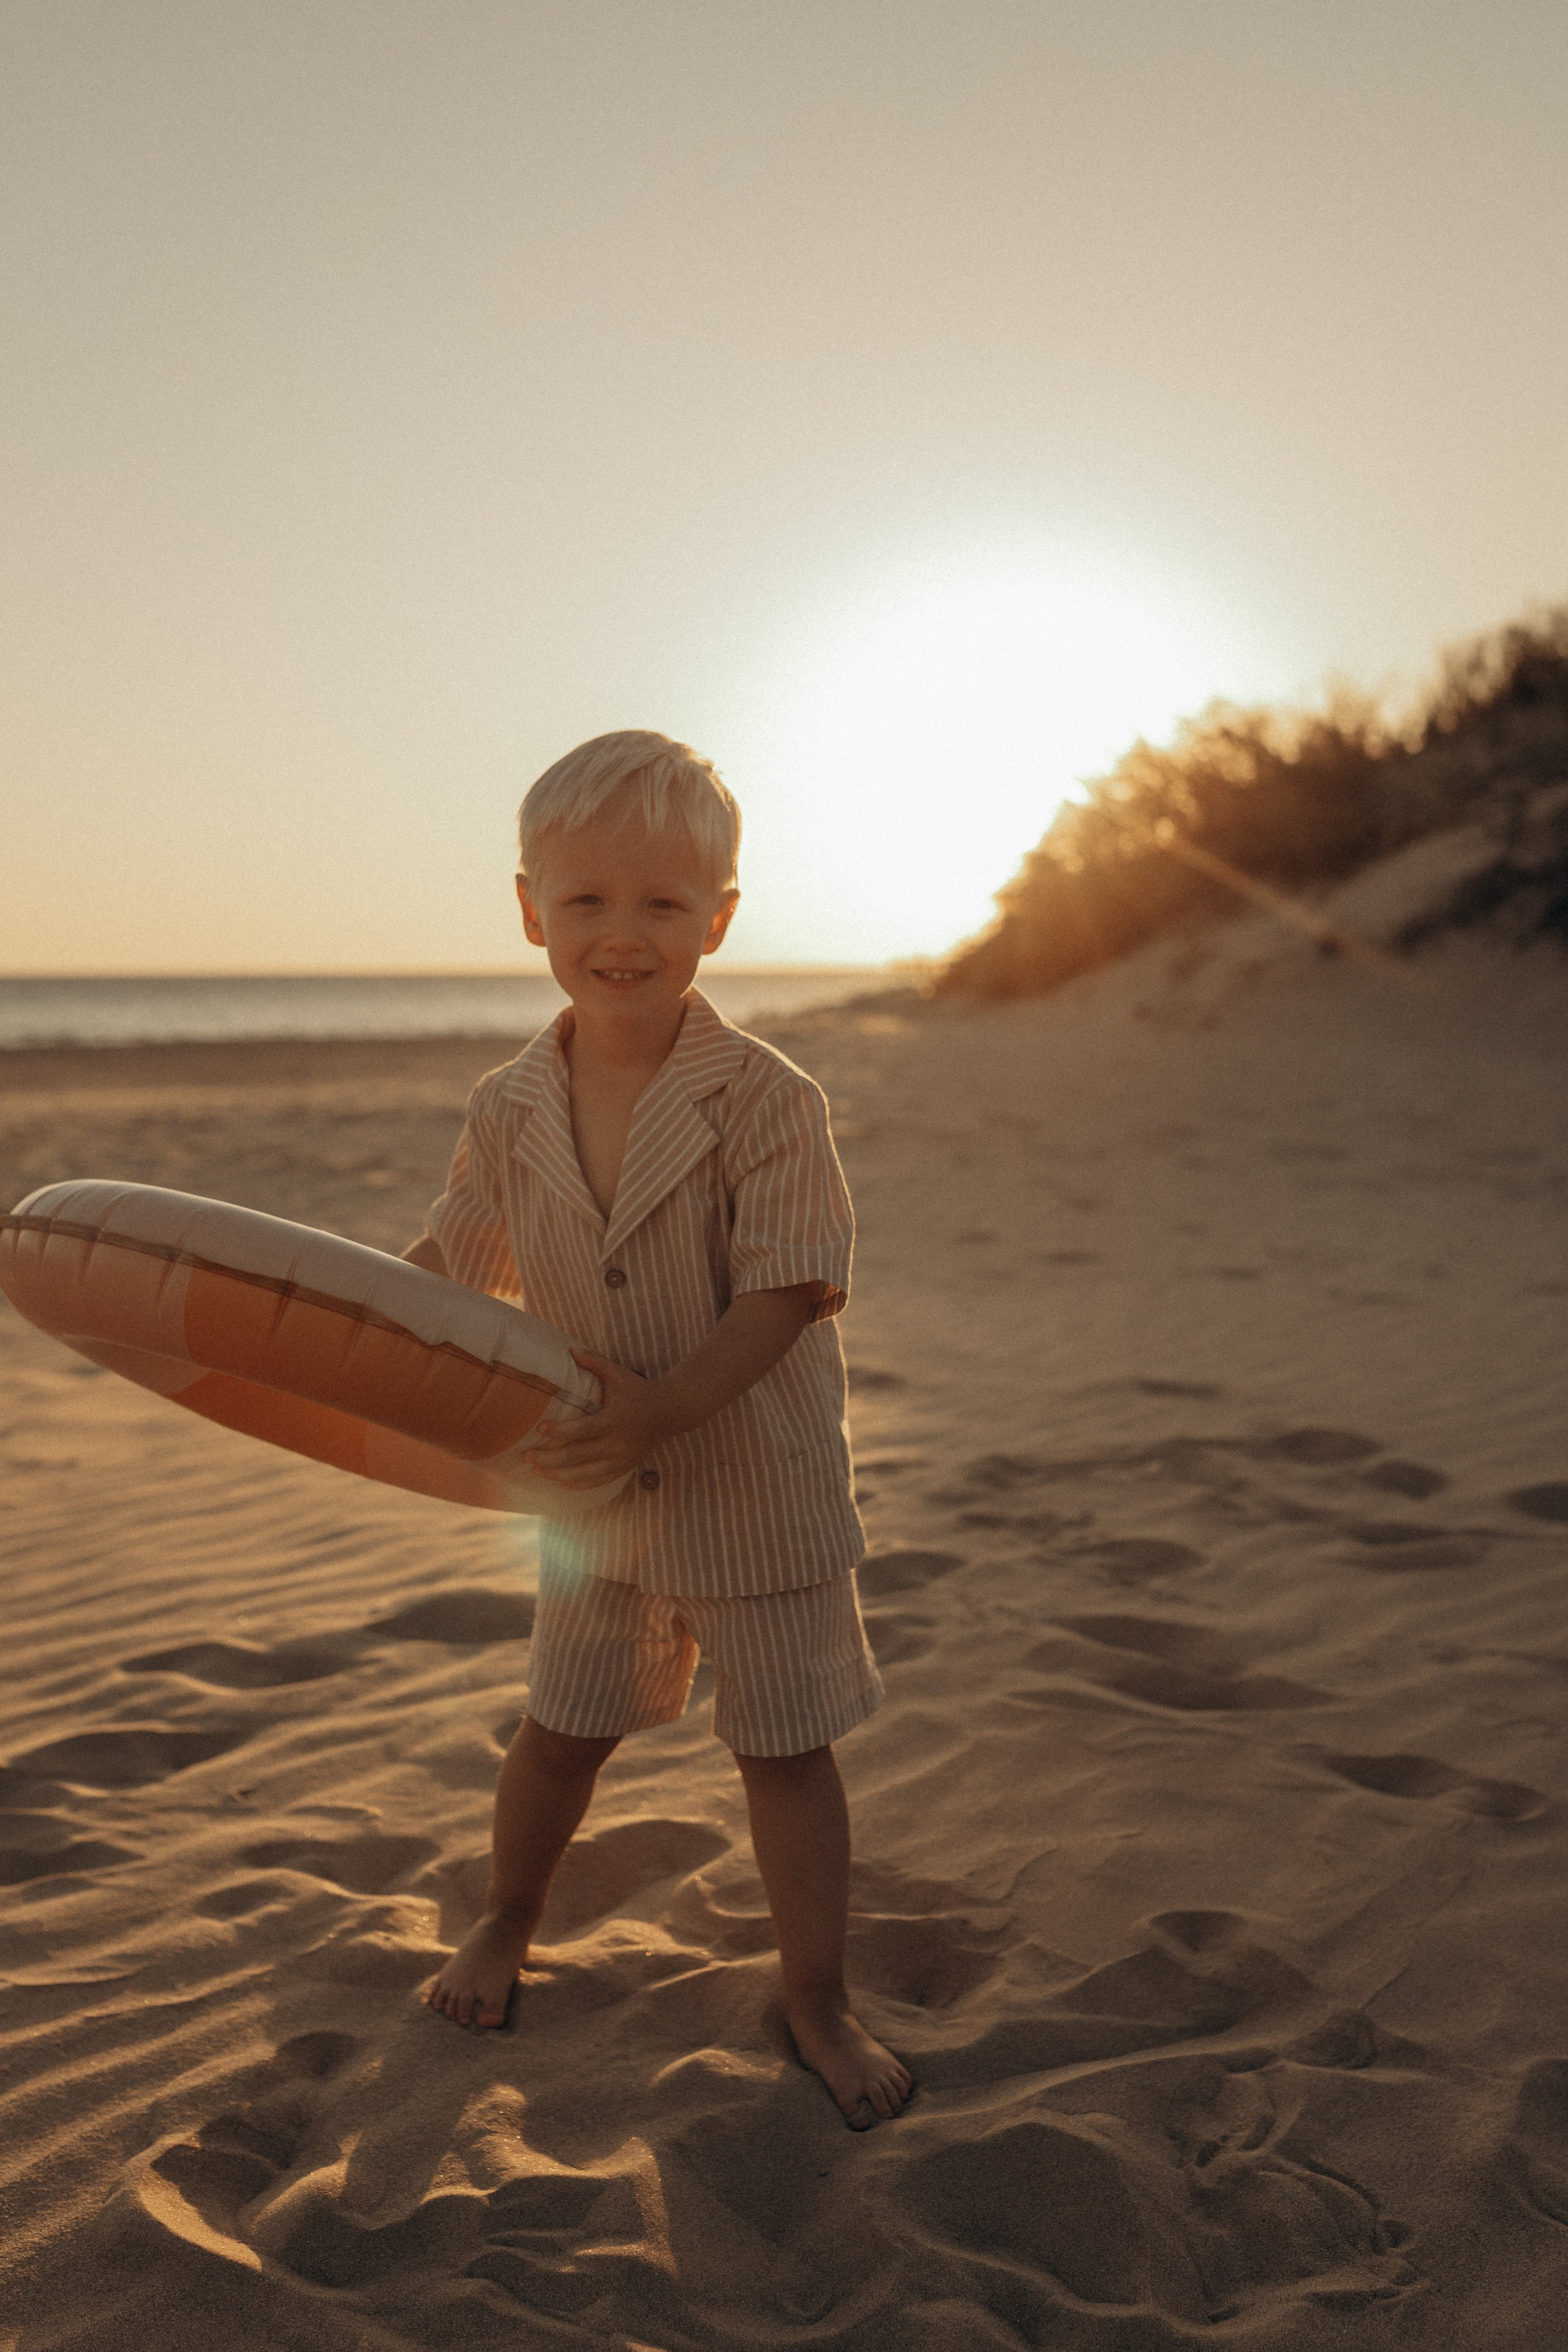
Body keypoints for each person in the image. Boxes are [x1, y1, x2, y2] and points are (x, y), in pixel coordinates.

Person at [406, 730, 911, 2127]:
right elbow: (454, 1267)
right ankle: (510, 1914)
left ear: (720, 919)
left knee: (782, 1748)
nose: (621, 935)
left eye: (661, 905)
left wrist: (665, 1411)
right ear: (528, 911)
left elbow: (789, 1289)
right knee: (558, 1729)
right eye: (585, 902)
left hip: (756, 1484)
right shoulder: (509, 1106)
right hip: (592, 1497)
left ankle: (814, 1992)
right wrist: (347, 1331)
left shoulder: (767, 1099)